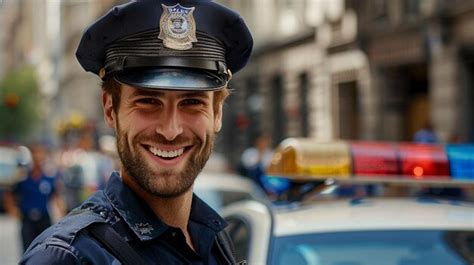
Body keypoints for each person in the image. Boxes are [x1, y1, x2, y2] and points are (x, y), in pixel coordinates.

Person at [20, 0, 252, 264]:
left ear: (217, 113)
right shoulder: (67, 258)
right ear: (110, 109)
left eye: (192, 102)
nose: (170, 130)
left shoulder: (215, 241)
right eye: (148, 102)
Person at [3, 143, 65, 252]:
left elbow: (56, 196)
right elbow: (9, 193)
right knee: (27, 251)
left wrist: (63, 215)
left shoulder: (49, 177)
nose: (38, 157)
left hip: (44, 219)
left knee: (44, 252)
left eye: (41, 154)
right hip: (27, 219)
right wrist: (12, 210)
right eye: (35, 154)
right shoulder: (22, 177)